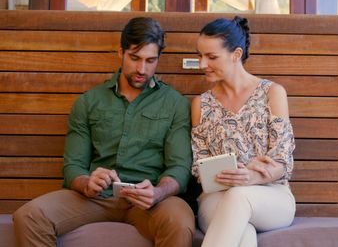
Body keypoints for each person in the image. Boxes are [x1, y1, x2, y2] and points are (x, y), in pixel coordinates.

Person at [13, 17, 195, 247]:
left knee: (180, 223)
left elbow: (179, 167)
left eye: (150, 61)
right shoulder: (89, 102)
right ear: (120, 52)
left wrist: (158, 192)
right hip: (96, 198)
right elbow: (73, 167)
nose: (142, 69)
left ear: (159, 59)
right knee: (28, 217)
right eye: (135, 58)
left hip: (151, 200)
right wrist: (87, 183)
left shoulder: (175, 104)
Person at [191, 16, 296, 247]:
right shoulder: (202, 104)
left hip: (272, 196)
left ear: (236, 55)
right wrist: (228, 174)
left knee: (239, 197)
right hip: (215, 198)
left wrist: (252, 177)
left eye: (211, 57)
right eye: (200, 56)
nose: (201, 65)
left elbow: (282, 161)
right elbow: (199, 166)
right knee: (243, 232)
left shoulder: (272, 93)